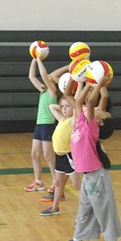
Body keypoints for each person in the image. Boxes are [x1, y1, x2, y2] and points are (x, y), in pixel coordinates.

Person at [57, 79, 121, 241]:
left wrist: (98, 80)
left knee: (103, 209)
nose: (101, 111)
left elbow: (91, 102)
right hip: (88, 176)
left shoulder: (91, 127)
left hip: (97, 175)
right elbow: (70, 97)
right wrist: (77, 77)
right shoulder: (80, 121)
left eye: (103, 113)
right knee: (84, 210)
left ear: (100, 122)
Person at [25, 54, 61, 193]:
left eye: (50, 78)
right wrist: (33, 60)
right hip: (39, 124)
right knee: (34, 154)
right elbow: (32, 77)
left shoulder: (53, 91)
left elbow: (44, 74)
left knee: (47, 155)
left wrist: (39, 59)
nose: (47, 77)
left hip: (48, 124)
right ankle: (38, 182)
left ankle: (55, 182)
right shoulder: (43, 90)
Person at [41, 85, 79, 216]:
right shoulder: (62, 119)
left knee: (77, 186)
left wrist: (74, 106)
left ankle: (89, 208)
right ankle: (54, 207)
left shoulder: (73, 121)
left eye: (67, 107)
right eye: (62, 106)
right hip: (60, 157)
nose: (63, 109)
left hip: (69, 157)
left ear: (74, 109)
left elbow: (77, 108)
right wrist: (64, 105)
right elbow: (52, 107)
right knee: (58, 183)